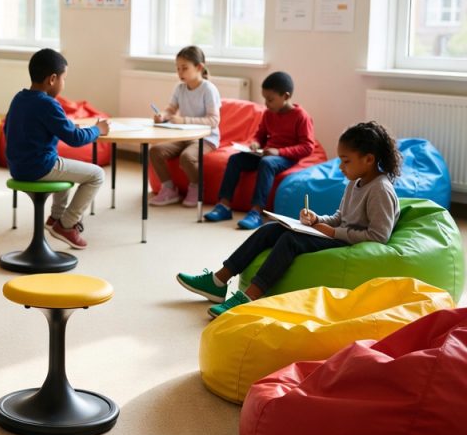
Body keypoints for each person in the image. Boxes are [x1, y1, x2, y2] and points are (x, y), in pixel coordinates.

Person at [177, 121, 401, 319]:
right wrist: (316, 219)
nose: (341, 167)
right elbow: (340, 217)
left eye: (346, 161)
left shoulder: (380, 190)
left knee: (291, 240)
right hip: (339, 235)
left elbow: (379, 237)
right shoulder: (356, 181)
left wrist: (333, 233)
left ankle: (250, 296)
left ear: (369, 159)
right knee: (271, 229)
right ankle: (218, 281)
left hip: (351, 243)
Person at [4, 48, 109, 250]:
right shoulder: (48, 104)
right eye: (64, 78)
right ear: (52, 79)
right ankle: (67, 224)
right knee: (97, 174)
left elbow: (9, 128)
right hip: (38, 168)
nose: (63, 83)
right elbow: (75, 139)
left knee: (64, 165)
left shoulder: (19, 98)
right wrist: (97, 129)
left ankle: (55, 218)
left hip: (17, 167)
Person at [204, 71, 316, 229]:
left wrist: (280, 152)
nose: (266, 103)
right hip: (266, 153)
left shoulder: (301, 116)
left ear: (286, 96)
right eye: (265, 99)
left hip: (285, 157)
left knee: (267, 163)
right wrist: (255, 143)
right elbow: (260, 135)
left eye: (270, 99)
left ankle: (257, 212)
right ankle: (224, 205)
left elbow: (307, 146)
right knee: (235, 159)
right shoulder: (269, 114)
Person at [149, 45, 222, 207]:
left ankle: (197, 187)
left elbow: (213, 120)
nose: (180, 73)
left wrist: (184, 120)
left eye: (184, 68)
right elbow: (171, 109)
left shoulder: (208, 89)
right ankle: (169, 189)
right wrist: (163, 115)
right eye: (177, 68)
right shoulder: (180, 88)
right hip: (183, 135)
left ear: (199, 67)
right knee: (155, 151)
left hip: (206, 137)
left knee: (186, 157)